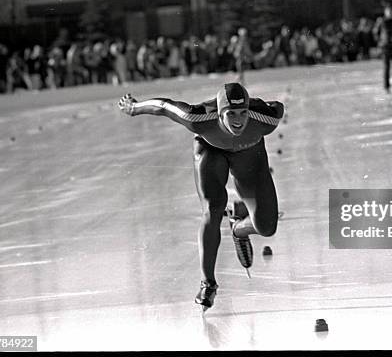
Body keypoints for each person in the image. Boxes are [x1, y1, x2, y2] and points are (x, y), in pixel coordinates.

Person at [118, 82, 284, 310]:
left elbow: (278, 107)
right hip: (211, 150)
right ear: (219, 112)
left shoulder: (265, 119)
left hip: (249, 153)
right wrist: (135, 107)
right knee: (213, 209)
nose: (238, 120)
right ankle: (208, 283)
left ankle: (238, 228)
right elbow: (164, 106)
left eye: (243, 113)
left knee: (267, 227)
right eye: (230, 114)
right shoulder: (198, 117)